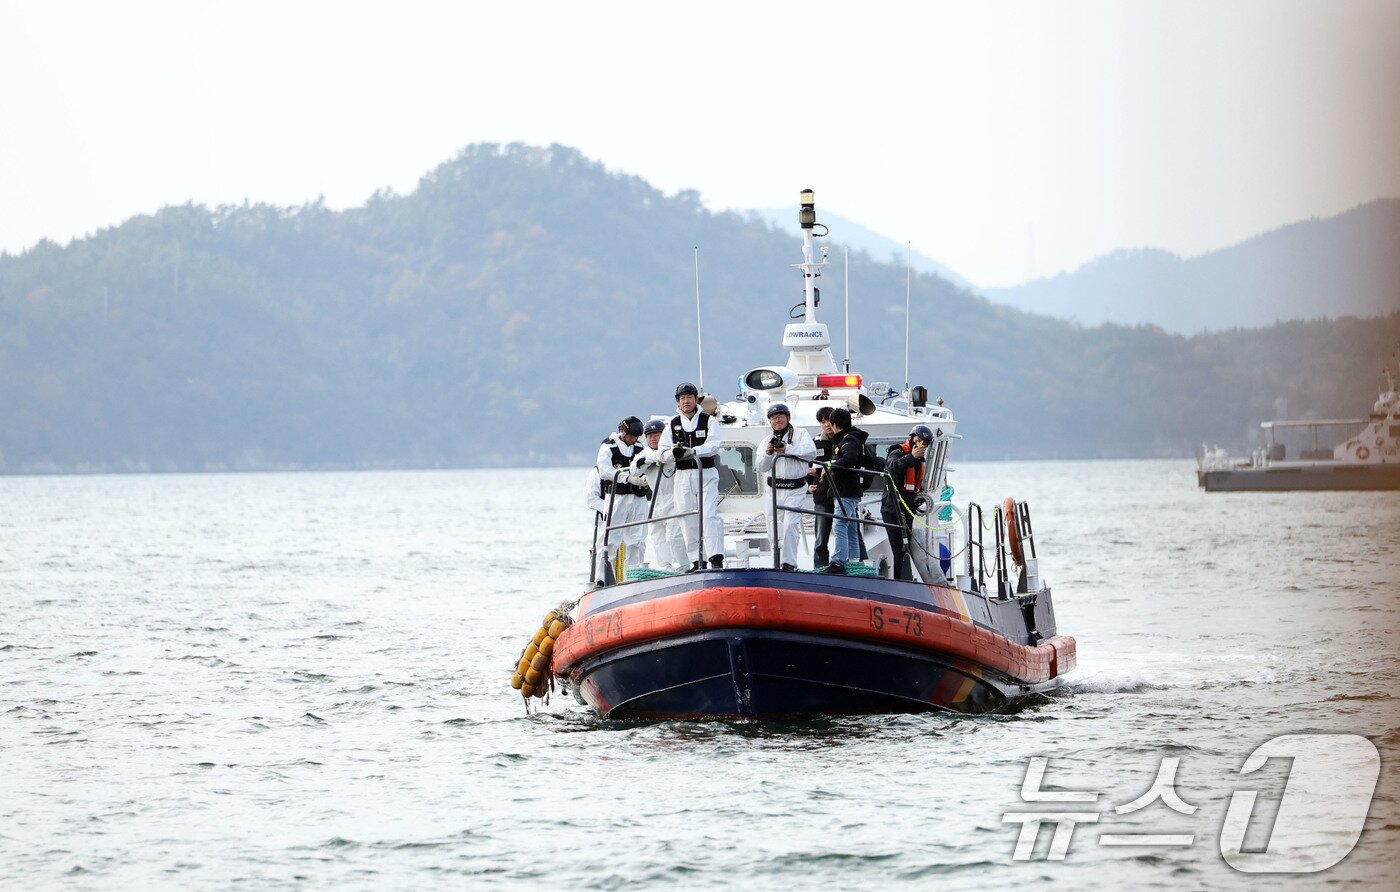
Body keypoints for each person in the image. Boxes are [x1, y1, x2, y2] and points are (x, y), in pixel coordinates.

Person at [658, 382, 724, 570]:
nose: (686, 401)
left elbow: (713, 445)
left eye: (689, 397)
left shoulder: (708, 420)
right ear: (678, 402)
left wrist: (692, 450)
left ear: (696, 399)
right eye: (682, 398)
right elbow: (662, 452)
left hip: (706, 472)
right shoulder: (672, 424)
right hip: (682, 475)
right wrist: (675, 454)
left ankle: (715, 557)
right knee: (686, 515)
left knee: (709, 515)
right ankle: (697, 560)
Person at [755, 403, 817, 570]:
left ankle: (788, 564)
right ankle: (775, 562)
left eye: (780, 417)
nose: (777, 421)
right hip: (773, 490)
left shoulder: (801, 434)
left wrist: (787, 449)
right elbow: (761, 467)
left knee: (790, 525)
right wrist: (769, 453)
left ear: (788, 418)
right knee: (773, 527)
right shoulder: (766, 441)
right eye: (774, 418)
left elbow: (811, 453)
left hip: (795, 490)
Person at [595, 415, 651, 578]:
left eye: (636, 437)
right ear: (622, 432)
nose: (634, 439)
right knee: (610, 540)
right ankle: (602, 578)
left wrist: (643, 479)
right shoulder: (609, 447)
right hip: (617, 497)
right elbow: (604, 469)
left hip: (637, 498)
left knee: (637, 540)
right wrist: (626, 477)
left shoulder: (640, 448)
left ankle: (633, 576)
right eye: (631, 436)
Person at [632, 418, 687, 571]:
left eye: (657, 434)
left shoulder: (671, 450)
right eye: (650, 436)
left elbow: (669, 457)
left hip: (674, 497)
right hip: (656, 500)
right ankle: (665, 566)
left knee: (675, 535)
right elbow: (634, 470)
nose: (653, 438)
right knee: (657, 535)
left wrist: (656, 456)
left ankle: (682, 566)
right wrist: (650, 458)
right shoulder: (644, 454)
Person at [882, 424, 933, 580]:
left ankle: (905, 578)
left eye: (924, 444)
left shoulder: (919, 462)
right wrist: (911, 456)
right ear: (912, 438)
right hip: (893, 509)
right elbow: (891, 468)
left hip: (907, 509)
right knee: (899, 549)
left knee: (906, 548)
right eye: (919, 441)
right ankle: (901, 580)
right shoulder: (897, 452)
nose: (921, 446)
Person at [824, 407, 869, 574]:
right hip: (848, 490)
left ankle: (838, 561)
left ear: (835, 425)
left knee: (840, 524)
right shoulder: (853, 438)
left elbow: (849, 459)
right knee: (850, 526)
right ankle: (854, 559)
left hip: (846, 490)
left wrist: (831, 465)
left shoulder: (848, 440)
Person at [808, 405, 837, 567]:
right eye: (822, 421)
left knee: (849, 535)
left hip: (843, 495)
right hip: (822, 496)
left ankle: (851, 567)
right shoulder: (815, 443)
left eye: (829, 420)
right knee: (821, 539)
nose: (826, 424)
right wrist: (808, 486)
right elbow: (805, 467)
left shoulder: (846, 440)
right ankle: (820, 569)